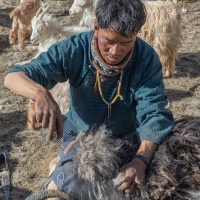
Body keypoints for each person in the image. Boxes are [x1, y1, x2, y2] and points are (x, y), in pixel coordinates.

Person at [4, 0, 174, 196]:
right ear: (96, 27)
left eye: (126, 43)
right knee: (74, 181)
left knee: (156, 181)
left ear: (136, 34)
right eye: (109, 41)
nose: (115, 52)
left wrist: (141, 160)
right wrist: (40, 92)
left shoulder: (146, 58)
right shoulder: (75, 49)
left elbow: (154, 114)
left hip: (129, 136)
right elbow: (13, 76)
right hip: (82, 137)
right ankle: (61, 166)